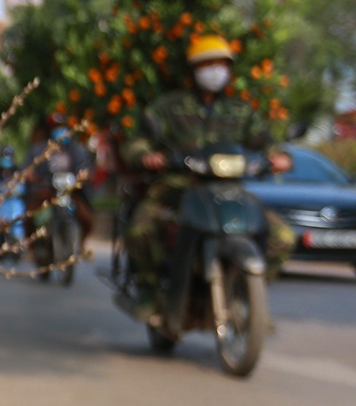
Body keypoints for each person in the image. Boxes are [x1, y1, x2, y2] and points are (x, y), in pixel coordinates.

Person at [120, 34, 293, 315]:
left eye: (221, 64)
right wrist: (146, 156)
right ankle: (149, 291)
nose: (215, 71)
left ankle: (247, 297)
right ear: (193, 70)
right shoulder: (168, 107)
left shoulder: (240, 111)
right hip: (177, 187)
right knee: (141, 228)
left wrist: (279, 156)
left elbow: (265, 140)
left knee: (282, 237)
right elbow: (137, 140)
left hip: (229, 190)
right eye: (208, 64)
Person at [26, 115, 95, 245]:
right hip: (47, 191)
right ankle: (30, 246)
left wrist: (84, 177)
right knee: (29, 214)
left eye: (61, 127)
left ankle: (82, 244)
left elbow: (86, 168)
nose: (59, 131)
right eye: (55, 128)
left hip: (71, 192)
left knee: (87, 217)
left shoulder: (77, 149)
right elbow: (28, 169)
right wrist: (33, 177)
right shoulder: (39, 150)